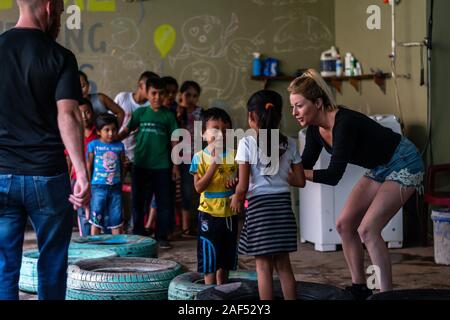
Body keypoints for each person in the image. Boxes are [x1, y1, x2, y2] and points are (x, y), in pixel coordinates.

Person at [289, 69, 424, 299]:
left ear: (318, 103)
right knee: (344, 224)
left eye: (299, 106)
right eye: (292, 107)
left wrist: (293, 174)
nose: (294, 113)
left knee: (368, 230)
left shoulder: (344, 123)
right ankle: (360, 287)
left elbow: (332, 176)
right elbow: (303, 167)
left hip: (404, 162)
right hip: (381, 166)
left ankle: (386, 295)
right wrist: (282, 167)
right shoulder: (314, 129)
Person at [0, 0, 89, 300]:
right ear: (50, 7)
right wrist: (83, 173)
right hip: (47, 176)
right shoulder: (60, 56)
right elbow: (69, 115)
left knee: (3, 265)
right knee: (52, 263)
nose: (61, 19)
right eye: (62, 12)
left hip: (1, 174)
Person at [231, 90, 305, 300]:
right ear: (279, 116)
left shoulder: (246, 143)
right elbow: (300, 181)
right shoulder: (290, 143)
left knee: (263, 268)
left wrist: (237, 196)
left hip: (259, 210)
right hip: (282, 208)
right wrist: (281, 176)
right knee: (284, 265)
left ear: (251, 116)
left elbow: (243, 185)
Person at [118, 77, 180, 250]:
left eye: (161, 94)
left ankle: (161, 236)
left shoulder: (169, 115)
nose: (157, 97)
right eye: (153, 93)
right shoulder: (140, 113)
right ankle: (138, 234)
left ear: (166, 95)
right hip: (141, 165)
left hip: (162, 166)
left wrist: (175, 166)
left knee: (164, 203)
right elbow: (126, 131)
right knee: (138, 201)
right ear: (147, 92)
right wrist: (112, 140)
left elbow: (175, 141)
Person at [190, 108, 239, 285]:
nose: (221, 135)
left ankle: (223, 292)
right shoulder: (199, 157)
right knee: (209, 257)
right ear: (203, 134)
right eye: (215, 130)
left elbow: (242, 179)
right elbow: (198, 187)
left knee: (225, 257)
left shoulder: (235, 155)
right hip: (208, 214)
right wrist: (214, 164)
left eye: (225, 131)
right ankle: (208, 294)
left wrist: (236, 182)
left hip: (229, 214)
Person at [114, 71, 159, 234]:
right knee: (114, 190)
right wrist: (116, 148)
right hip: (119, 154)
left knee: (140, 195)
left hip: (140, 157)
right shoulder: (123, 98)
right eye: (152, 89)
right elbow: (112, 124)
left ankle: (135, 226)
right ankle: (116, 224)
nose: (156, 94)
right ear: (141, 86)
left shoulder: (151, 107)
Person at [87, 113, 125, 235]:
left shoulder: (120, 146)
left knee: (116, 217)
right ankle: (95, 248)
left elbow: (122, 164)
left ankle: (118, 249)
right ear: (98, 131)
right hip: (98, 187)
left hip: (116, 187)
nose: (111, 133)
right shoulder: (93, 145)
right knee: (96, 217)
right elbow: (89, 165)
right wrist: (88, 183)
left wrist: (121, 181)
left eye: (114, 130)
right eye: (106, 130)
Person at [65, 98, 98, 236]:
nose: (84, 116)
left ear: (93, 113)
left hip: (98, 180)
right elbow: (69, 159)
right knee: (83, 212)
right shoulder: (73, 135)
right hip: (77, 180)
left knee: (97, 211)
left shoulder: (100, 133)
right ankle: (85, 239)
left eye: (88, 112)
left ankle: (100, 241)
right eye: (81, 113)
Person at [177, 81, 204, 237]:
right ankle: (185, 227)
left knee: (198, 190)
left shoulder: (201, 112)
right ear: (181, 95)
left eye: (195, 95)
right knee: (185, 191)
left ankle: (198, 224)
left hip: (198, 155)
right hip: (180, 157)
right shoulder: (176, 111)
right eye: (188, 95)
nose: (191, 98)